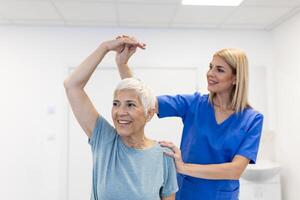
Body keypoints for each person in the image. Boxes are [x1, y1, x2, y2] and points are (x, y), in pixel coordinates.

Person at [116, 36, 264, 200]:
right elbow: (144, 100)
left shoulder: (252, 119)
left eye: (219, 70)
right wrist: (122, 64)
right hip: (186, 193)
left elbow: (235, 170)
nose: (210, 74)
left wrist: (183, 168)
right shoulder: (194, 104)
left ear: (236, 78)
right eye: (210, 67)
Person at [63, 37, 178, 200]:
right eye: (116, 104)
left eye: (130, 105)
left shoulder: (163, 155)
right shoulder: (104, 140)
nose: (120, 112)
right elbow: (72, 86)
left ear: (149, 113)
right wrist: (105, 47)